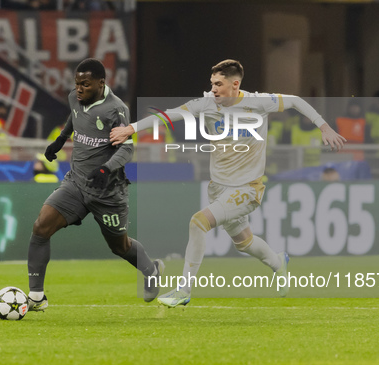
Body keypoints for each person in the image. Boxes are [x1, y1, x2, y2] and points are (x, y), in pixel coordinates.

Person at [111, 59, 346, 307]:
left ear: (235, 84)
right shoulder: (206, 104)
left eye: (218, 84)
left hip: (247, 189)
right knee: (244, 242)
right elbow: (169, 116)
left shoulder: (258, 103)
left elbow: (296, 101)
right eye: (211, 83)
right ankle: (279, 262)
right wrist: (131, 129)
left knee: (198, 222)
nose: (213, 88)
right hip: (219, 188)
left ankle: (183, 289)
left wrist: (324, 126)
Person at [26, 58, 164, 312]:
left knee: (119, 246)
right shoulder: (75, 98)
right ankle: (36, 296)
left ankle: (151, 269)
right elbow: (75, 117)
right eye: (77, 83)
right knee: (41, 226)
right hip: (76, 184)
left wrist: (106, 169)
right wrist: (60, 140)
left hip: (108, 192)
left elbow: (126, 149)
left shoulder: (116, 110)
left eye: (85, 84)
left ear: (101, 83)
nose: (79, 89)